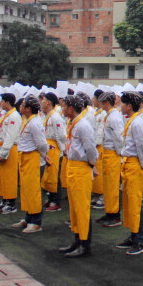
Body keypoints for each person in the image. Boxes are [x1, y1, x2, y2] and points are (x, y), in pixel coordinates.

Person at [59, 95, 98, 258]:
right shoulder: (73, 123)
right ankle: (77, 240)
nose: (62, 108)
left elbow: (91, 149)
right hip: (73, 166)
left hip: (81, 168)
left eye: (64, 106)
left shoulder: (83, 125)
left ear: (71, 108)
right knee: (74, 208)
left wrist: (91, 165)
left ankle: (84, 244)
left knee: (82, 208)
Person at [116, 91, 143, 256]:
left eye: (122, 103)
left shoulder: (137, 123)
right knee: (130, 203)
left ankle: (140, 240)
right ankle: (133, 234)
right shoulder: (131, 121)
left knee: (136, 203)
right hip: (128, 164)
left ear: (129, 106)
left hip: (135, 165)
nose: (120, 106)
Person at [11, 95, 50, 233]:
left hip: (33, 158)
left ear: (28, 109)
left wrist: (44, 156)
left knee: (33, 191)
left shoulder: (35, 123)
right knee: (27, 189)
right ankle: (28, 217)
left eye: (22, 105)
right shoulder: (29, 120)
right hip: (26, 158)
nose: (20, 107)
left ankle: (36, 222)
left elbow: (42, 144)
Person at [97, 92, 124, 227]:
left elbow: (119, 138)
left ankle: (114, 215)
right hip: (108, 153)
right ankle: (109, 211)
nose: (100, 104)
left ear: (106, 102)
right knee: (107, 185)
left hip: (113, 153)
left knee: (112, 185)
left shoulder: (114, 117)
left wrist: (120, 155)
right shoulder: (110, 116)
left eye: (102, 102)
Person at [0, 93, 22, 214]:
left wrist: (3, 153)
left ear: (7, 102)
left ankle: (11, 203)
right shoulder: (7, 115)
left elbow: (10, 137)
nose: (0, 103)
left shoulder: (14, 117)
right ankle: (4, 199)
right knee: (2, 176)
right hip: (2, 146)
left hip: (10, 148)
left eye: (2, 101)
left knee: (9, 177)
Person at [41, 93, 67, 212]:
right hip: (49, 147)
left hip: (54, 148)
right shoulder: (48, 116)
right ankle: (51, 198)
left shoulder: (56, 117)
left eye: (43, 100)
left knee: (54, 175)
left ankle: (56, 201)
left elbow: (60, 135)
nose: (41, 102)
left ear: (48, 102)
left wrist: (61, 149)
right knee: (49, 175)